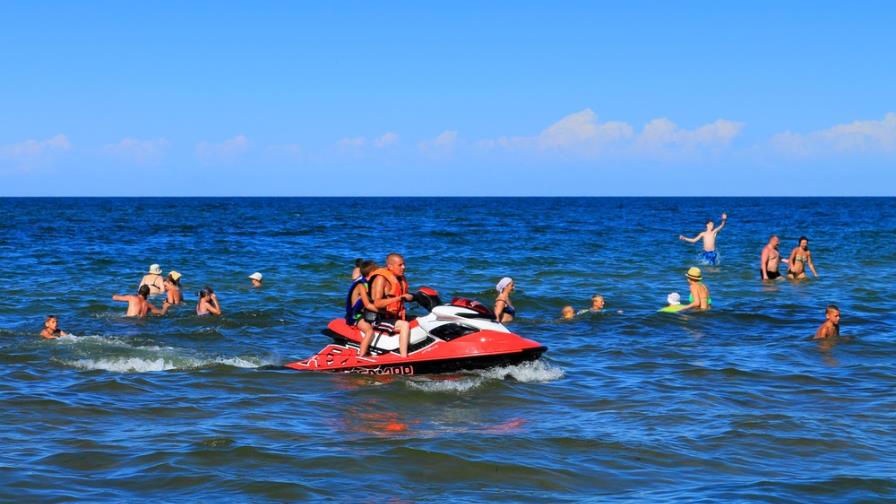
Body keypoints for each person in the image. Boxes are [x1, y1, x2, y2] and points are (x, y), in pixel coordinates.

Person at [369, 253, 413, 357]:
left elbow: (400, 298)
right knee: (404, 325)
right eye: (400, 265)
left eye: (404, 264)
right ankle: (403, 357)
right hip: (378, 318)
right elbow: (377, 303)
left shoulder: (400, 279)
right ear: (390, 266)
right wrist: (399, 298)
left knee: (419, 319)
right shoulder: (381, 279)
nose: (404, 267)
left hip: (393, 317)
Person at [346, 260, 381, 356]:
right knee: (369, 331)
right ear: (370, 274)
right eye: (376, 273)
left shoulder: (367, 283)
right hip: (355, 316)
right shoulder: (361, 285)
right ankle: (361, 354)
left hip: (364, 313)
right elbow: (367, 304)